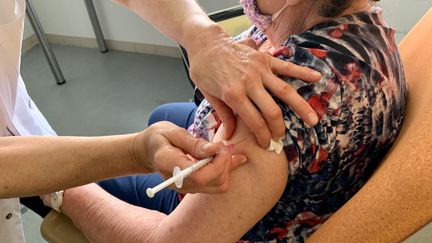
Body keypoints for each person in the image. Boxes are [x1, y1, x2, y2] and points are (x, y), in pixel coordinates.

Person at [49, 0, 408, 242]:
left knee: (76, 173)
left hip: (240, 216)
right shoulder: (359, 25)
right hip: (303, 179)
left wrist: (61, 187)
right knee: (162, 116)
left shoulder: (280, 99)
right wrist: (201, 37)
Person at [0, 0, 321, 241]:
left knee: (156, 123)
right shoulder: (366, 28)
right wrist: (135, 152)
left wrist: (201, 34)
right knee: (162, 115)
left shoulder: (283, 94)